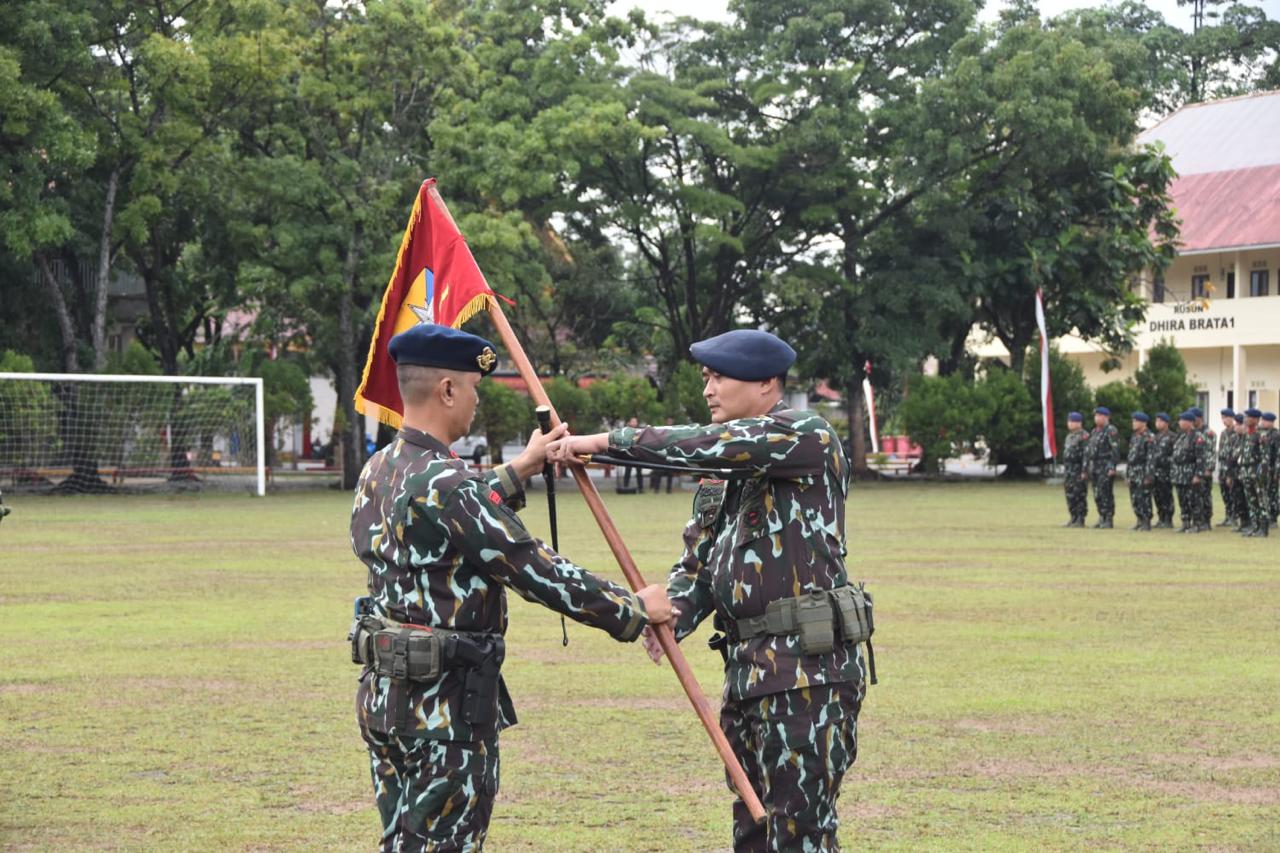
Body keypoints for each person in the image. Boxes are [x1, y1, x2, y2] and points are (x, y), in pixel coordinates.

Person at [348, 323, 672, 852]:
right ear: (447, 390)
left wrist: (522, 467)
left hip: (388, 700)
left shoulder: (380, 469)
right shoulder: (449, 484)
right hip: (443, 712)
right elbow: (532, 567)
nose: (476, 400)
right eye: (473, 388)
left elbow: (447, 518)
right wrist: (633, 608)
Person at [549, 329, 870, 852]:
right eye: (705, 377)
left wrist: (604, 444)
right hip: (748, 674)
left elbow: (698, 444)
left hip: (806, 674)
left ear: (766, 383)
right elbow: (700, 562)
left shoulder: (803, 435)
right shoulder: (723, 476)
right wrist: (676, 610)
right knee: (753, 831)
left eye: (719, 377)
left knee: (799, 833)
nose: (708, 389)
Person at [1083, 406, 1119, 529]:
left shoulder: (1111, 430)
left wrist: (1112, 466)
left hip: (1105, 466)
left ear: (1106, 417)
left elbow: (1115, 450)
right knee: (1097, 494)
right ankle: (1101, 517)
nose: (1096, 418)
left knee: (1105, 493)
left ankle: (1108, 519)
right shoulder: (1094, 431)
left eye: (1099, 415)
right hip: (1095, 466)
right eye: (1095, 415)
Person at [1171, 411, 1207, 533]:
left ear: (1189, 422)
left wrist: (1198, 475)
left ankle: (1197, 524)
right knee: (1182, 500)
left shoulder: (1198, 437)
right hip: (1180, 473)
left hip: (1191, 473)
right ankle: (1185, 523)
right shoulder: (1181, 436)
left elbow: (1200, 458)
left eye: (1182, 420)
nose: (1180, 423)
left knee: (1194, 500)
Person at [1239, 408, 1268, 537]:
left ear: (1255, 419)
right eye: (1245, 417)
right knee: (1251, 500)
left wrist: (1261, 475)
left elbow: (1265, 458)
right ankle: (1255, 526)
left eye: (1248, 417)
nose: (1245, 420)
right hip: (1246, 471)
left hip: (1256, 472)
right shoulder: (1246, 435)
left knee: (1261, 500)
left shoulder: (1261, 435)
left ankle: (1263, 527)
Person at [1126, 412, 1156, 531]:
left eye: (1136, 421)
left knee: (1144, 497)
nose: (1133, 423)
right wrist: (1128, 474)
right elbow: (1130, 457)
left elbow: (1151, 458)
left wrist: (1149, 476)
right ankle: (1139, 520)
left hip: (1143, 471)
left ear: (1144, 423)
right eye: (1133, 421)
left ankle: (1146, 521)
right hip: (1134, 471)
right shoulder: (1134, 437)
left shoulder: (1149, 437)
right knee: (1135, 498)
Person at [1061, 412, 1090, 527]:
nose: (1070, 423)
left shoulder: (1084, 436)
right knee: (1070, 494)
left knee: (1079, 494)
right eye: (1069, 421)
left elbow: (1086, 455)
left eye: (1072, 421)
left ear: (1079, 423)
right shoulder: (1069, 436)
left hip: (1078, 470)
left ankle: (1080, 519)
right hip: (1069, 470)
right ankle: (1073, 517)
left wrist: (1084, 470)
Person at [1151, 413, 1177, 529]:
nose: (1157, 423)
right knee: (1157, 496)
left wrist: (1166, 461)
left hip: (1166, 471)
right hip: (1156, 471)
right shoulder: (1155, 437)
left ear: (1166, 423)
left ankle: (1168, 519)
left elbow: (1175, 455)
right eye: (1156, 421)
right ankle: (1161, 518)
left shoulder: (1172, 437)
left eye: (1160, 421)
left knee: (1166, 496)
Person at [1192, 407, 1216, 531]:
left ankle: (1206, 520)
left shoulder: (1209, 433)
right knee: (1196, 496)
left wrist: (1209, 469)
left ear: (1199, 418)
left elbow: (1211, 452)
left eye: (1194, 418)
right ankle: (1198, 519)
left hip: (1205, 469)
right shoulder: (1193, 433)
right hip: (1196, 468)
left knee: (1205, 495)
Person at [1216, 408, 1238, 526]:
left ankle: (1234, 517)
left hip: (1232, 468)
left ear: (1232, 418)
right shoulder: (1223, 433)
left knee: (1233, 493)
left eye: (1226, 418)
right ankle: (1228, 516)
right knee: (1224, 493)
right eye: (1222, 418)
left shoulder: (1236, 432)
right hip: (1223, 468)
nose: (1224, 420)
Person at [1261, 412, 1279, 525]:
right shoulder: (1263, 434)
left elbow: (1278, 455)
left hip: (1272, 470)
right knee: (1265, 493)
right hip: (1264, 469)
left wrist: (1277, 472)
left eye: (1264, 420)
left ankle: (1273, 518)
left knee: (1273, 494)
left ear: (1271, 422)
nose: (1262, 422)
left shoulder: (1276, 435)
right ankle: (1267, 516)